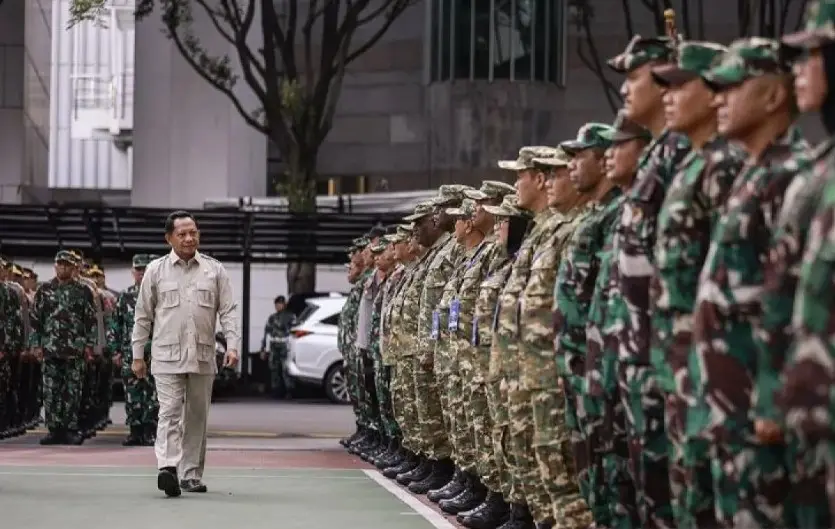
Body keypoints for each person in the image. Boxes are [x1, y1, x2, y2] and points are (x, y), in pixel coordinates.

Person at [131, 210, 240, 498]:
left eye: (193, 232)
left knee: (196, 416)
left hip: (202, 356)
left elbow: (228, 311)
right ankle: (168, 467)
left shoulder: (214, 270)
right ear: (169, 238)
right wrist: (137, 354)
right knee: (169, 411)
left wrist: (232, 345)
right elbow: (143, 315)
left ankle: (191, 474)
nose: (189, 238)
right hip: (166, 356)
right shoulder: (155, 271)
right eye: (182, 234)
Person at [29, 250, 97, 445]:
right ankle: (54, 429)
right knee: (50, 391)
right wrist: (36, 344)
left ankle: (69, 429)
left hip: (74, 350)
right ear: (55, 266)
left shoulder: (83, 291)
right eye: (60, 264)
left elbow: (90, 320)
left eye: (67, 265)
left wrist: (89, 345)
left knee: (72, 391)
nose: (63, 268)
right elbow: (36, 320)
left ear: (74, 267)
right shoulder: (44, 290)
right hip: (50, 348)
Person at [260, 295, 296, 399]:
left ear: (284, 304)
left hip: (285, 345)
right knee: (274, 368)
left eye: (280, 304)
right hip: (274, 346)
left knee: (286, 368)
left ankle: (289, 390)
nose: (278, 306)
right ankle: (276, 390)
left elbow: (294, 331)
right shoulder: (272, 317)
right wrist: (263, 348)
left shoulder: (291, 317)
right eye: (276, 304)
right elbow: (266, 333)